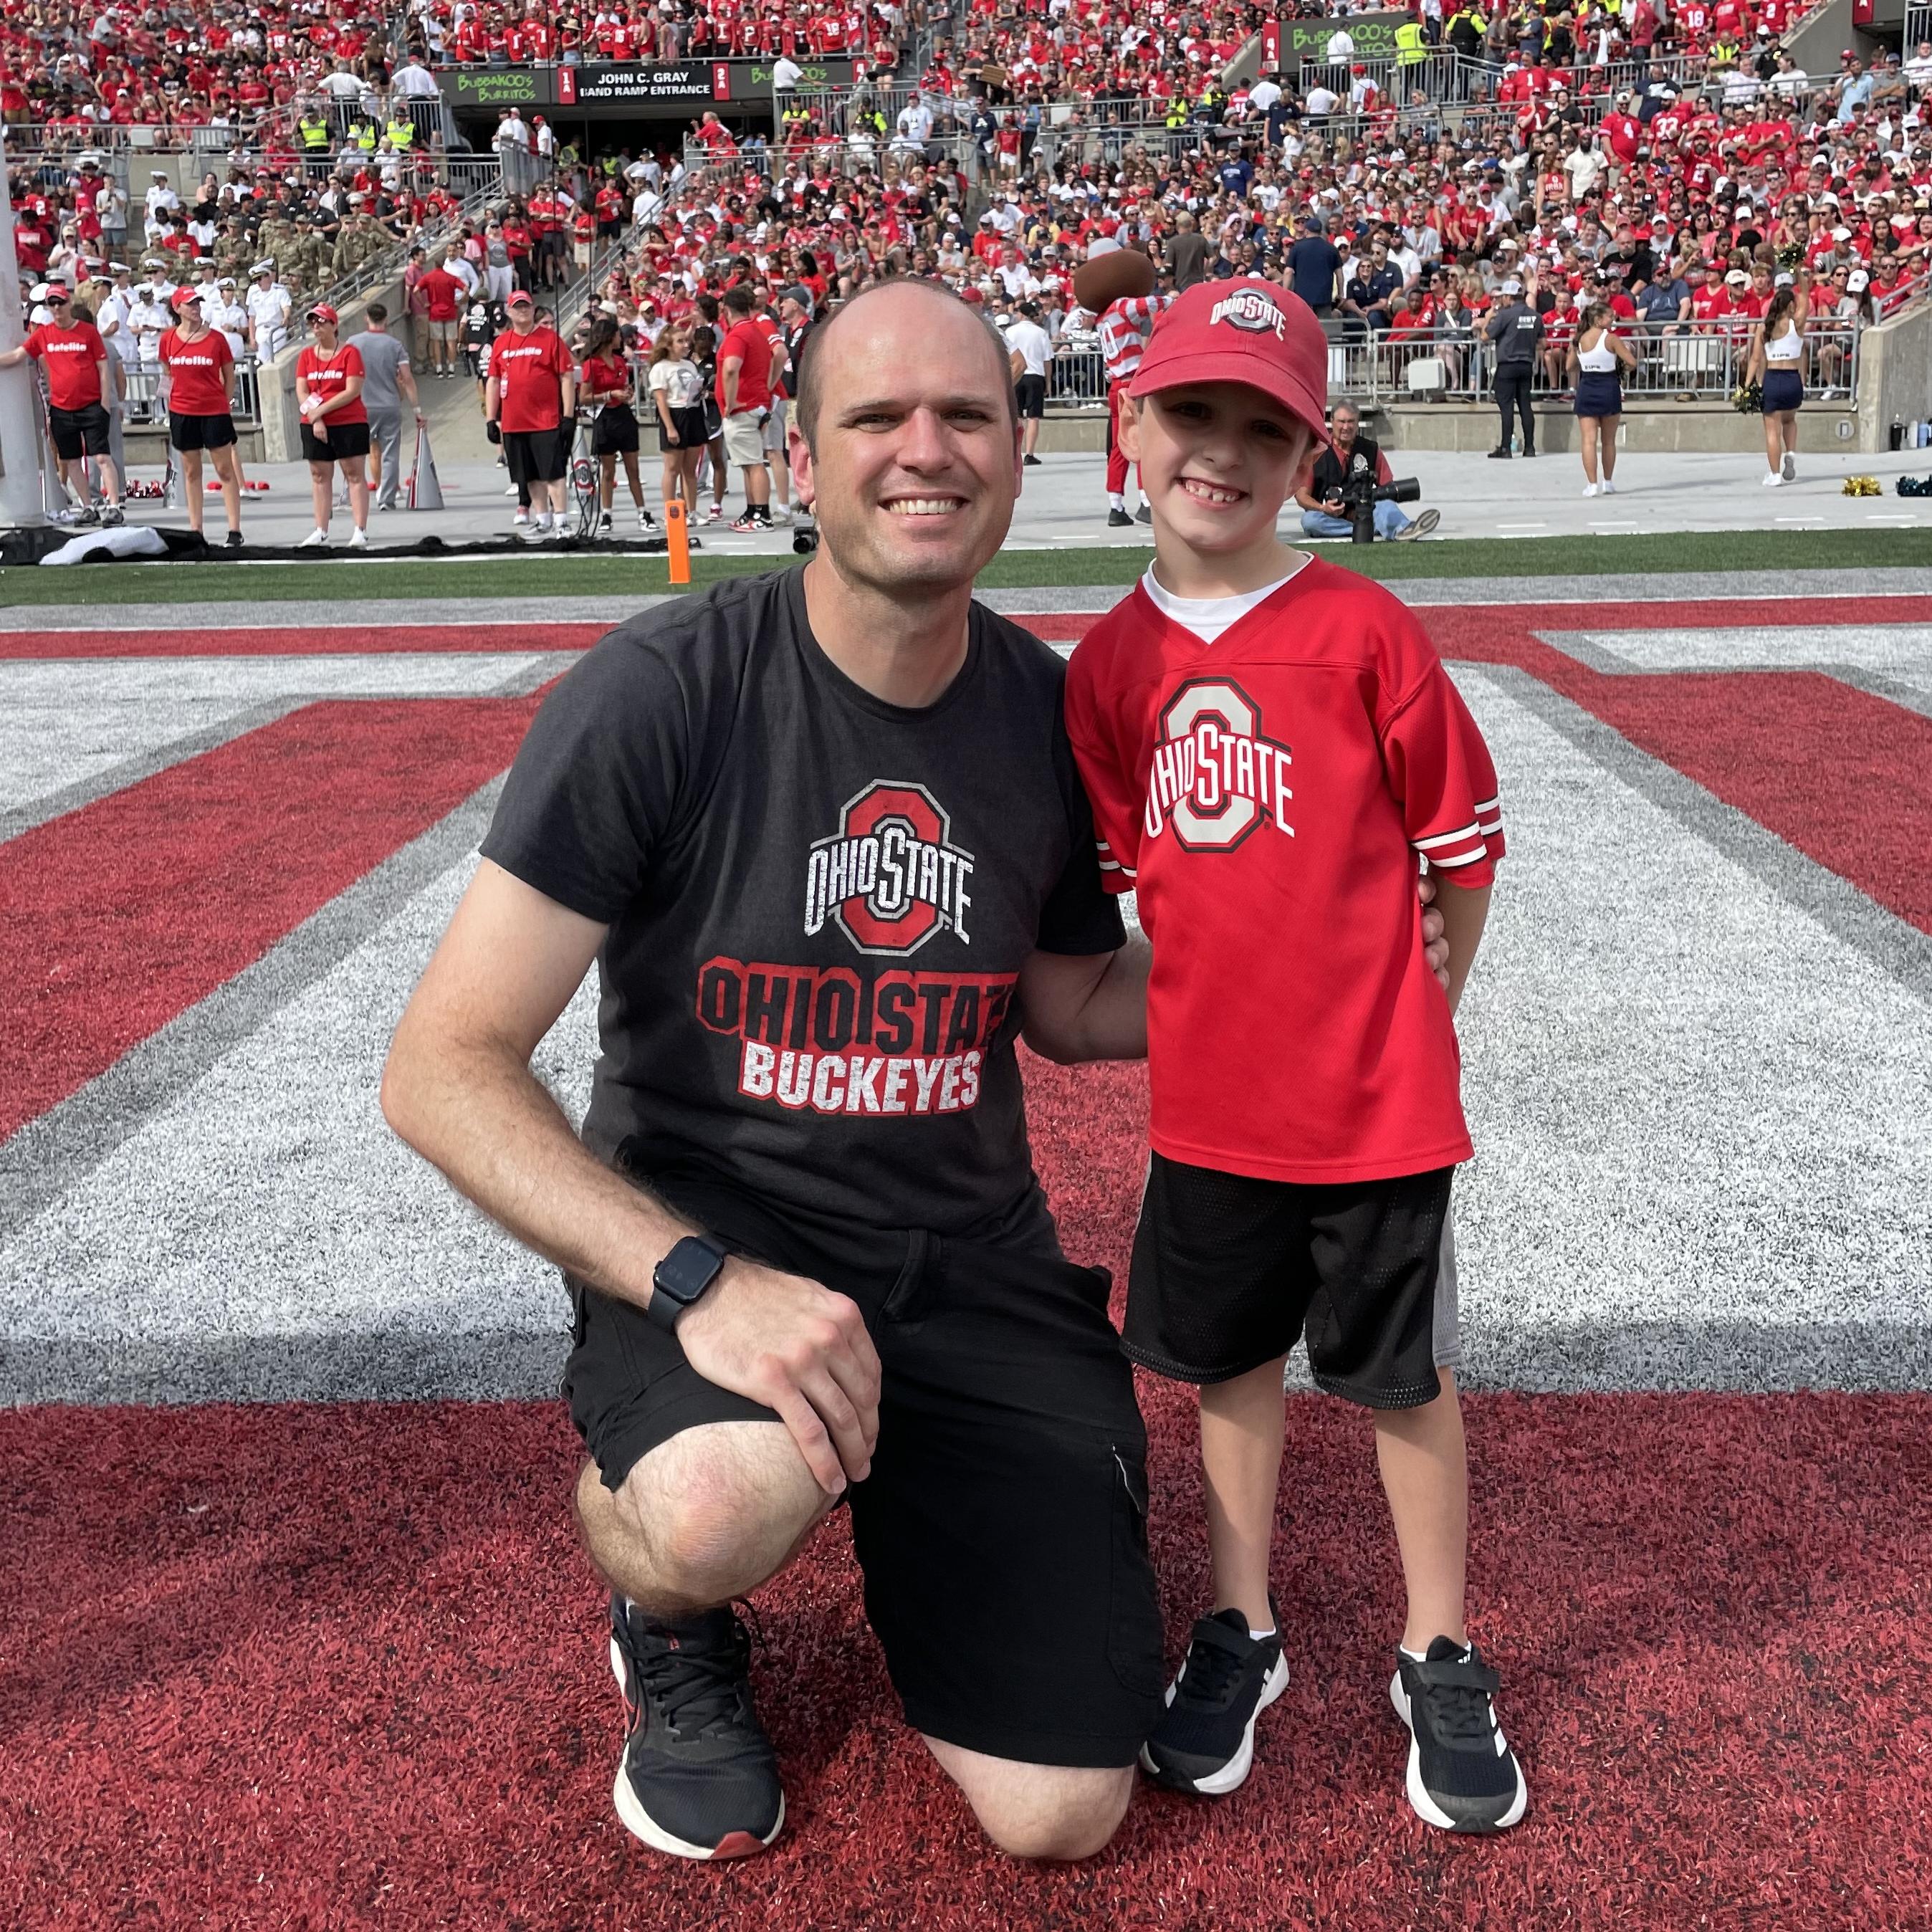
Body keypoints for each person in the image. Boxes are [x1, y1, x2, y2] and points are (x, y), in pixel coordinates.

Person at [381, 274, 1453, 1868]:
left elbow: (1071, 1001)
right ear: (800, 457)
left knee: (1061, 1815)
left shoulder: (1049, 701)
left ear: (1024, 452)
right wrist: (695, 1277)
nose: (924, 450)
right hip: (717, 1245)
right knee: (713, 1506)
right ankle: (669, 1615)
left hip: (969, 1265)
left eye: (965, 415)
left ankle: (907, 1510)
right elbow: (440, 1067)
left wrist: (1312, 944)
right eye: (876, 416)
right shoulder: (666, 690)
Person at [1063, 275, 1526, 1833]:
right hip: (1210, 1111)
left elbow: (1462, 849)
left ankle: (1438, 1645)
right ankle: (1240, 1626)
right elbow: (1143, 887)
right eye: (1193, 411)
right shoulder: (1104, 668)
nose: (1222, 450)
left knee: (1403, 1379)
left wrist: (1421, 1005)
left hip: (1377, 1110)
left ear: (1308, 455)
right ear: (1131, 425)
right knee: (1227, 1370)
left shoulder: (1361, 625)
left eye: (1263, 425)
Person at [0, 279, 125, 526]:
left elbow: (103, 368)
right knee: (71, 459)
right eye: (51, 304)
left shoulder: (88, 332)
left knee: (101, 456)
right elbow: (18, 355)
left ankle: (113, 506)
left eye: (59, 303)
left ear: (69, 303)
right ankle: (87, 506)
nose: (56, 308)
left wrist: (105, 402)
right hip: (62, 407)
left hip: (91, 405)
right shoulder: (44, 335)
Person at [487, 289, 576, 540]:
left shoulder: (549, 339)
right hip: (515, 421)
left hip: (545, 419)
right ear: (509, 311)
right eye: (518, 307)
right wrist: (491, 419)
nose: (522, 310)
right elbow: (493, 381)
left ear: (532, 308)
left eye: (526, 306)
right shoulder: (502, 343)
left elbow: (566, 377)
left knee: (553, 472)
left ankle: (561, 520)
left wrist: (568, 415)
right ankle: (543, 518)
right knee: (529, 474)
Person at [158, 288, 244, 547]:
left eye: (198, 303)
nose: (196, 307)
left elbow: (229, 375)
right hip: (183, 412)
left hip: (214, 412)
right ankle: (196, 529)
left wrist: (223, 403)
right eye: (190, 304)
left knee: (224, 469)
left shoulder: (216, 339)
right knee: (192, 471)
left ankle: (234, 530)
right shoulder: (168, 339)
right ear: (178, 309)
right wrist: (168, 405)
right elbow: (167, 373)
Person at [1295, 401, 1439, 541]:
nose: (1346, 427)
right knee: (1310, 521)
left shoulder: (1371, 449)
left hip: (1365, 510)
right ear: (1331, 421)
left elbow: (1387, 487)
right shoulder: (1316, 452)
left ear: (1358, 422)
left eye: (1351, 421)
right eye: (1341, 421)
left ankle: (1405, 529)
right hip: (1329, 515)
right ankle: (1370, 529)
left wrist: (1366, 505)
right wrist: (1324, 508)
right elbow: (1302, 496)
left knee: (1386, 506)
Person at [295, 302, 371, 549]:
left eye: (321, 322)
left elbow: (352, 390)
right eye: (312, 323)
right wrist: (315, 418)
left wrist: (321, 411)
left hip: (347, 421)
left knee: (354, 474)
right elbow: (302, 389)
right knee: (319, 475)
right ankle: (321, 529)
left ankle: (360, 529)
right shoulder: (307, 355)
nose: (316, 327)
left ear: (334, 325)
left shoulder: (350, 353)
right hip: (315, 423)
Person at [580, 312, 656, 535]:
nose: (620, 338)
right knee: (607, 472)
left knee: (634, 469)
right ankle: (607, 514)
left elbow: (623, 386)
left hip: (623, 415)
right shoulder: (591, 364)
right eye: (616, 335)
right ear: (607, 337)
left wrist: (627, 393)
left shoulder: (621, 360)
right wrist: (609, 395)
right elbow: (583, 397)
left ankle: (643, 512)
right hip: (605, 416)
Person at [353, 303, 424, 515]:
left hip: (361, 406)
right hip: (389, 405)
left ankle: (351, 495)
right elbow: (407, 379)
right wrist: (417, 409)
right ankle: (387, 498)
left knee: (356, 454)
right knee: (390, 454)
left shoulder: (353, 344)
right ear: (386, 319)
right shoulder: (395, 345)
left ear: (367, 319)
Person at [715, 282, 775, 532]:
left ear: (727, 310)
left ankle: (761, 514)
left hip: (744, 406)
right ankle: (753, 511)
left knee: (753, 463)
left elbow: (731, 368)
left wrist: (730, 402)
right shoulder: (755, 331)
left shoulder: (739, 334)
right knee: (749, 463)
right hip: (756, 402)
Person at [1568, 301, 1638, 497]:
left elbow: (1569, 367)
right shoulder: (1611, 338)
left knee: (1588, 441)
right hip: (1608, 386)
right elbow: (1632, 361)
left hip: (1587, 387)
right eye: (1609, 316)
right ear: (1599, 319)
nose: (1612, 319)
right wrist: (1621, 369)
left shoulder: (1579, 339)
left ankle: (1592, 485)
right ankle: (1607, 482)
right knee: (1608, 441)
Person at [647, 325, 707, 515]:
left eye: (685, 340)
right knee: (672, 468)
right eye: (680, 341)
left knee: (690, 470)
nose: (685, 344)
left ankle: (692, 510)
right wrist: (670, 427)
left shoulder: (689, 365)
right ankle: (671, 512)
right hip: (675, 414)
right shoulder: (660, 368)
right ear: (669, 345)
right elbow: (661, 400)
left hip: (693, 412)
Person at [1749, 284, 1805, 486]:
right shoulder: (1797, 325)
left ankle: (1775, 474)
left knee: (1772, 431)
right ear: (1791, 305)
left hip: (1773, 379)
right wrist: (1801, 274)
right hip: (1793, 379)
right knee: (1789, 420)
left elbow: (1756, 359)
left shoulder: (1764, 327)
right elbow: (1805, 296)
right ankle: (1790, 453)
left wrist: (1749, 386)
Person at [1485, 276, 1543, 458]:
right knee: (1526, 405)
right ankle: (1530, 447)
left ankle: (1505, 448)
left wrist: (1488, 317)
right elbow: (1543, 343)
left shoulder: (1504, 315)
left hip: (1508, 364)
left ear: (1508, 297)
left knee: (1507, 407)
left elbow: (1485, 337)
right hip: (1526, 363)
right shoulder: (1536, 316)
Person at [1004, 298, 1052, 465]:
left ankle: (1015, 452)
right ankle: (1029, 453)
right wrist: (1048, 382)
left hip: (1017, 374)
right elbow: (1047, 360)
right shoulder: (1041, 333)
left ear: (1021, 314)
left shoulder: (1010, 331)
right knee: (1034, 417)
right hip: (1035, 375)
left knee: (1016, 416)